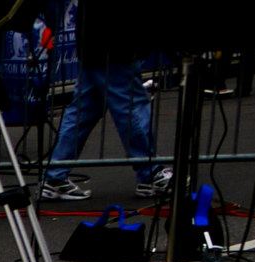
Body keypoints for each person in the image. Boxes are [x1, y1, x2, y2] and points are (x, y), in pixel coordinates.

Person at [38, 0, 171, 202]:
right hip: (112, 42)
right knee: (131, 106)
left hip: (95, 41)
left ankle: (55, 176)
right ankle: (150, 173)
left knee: (82, 111)